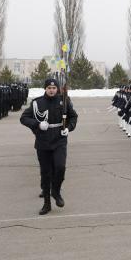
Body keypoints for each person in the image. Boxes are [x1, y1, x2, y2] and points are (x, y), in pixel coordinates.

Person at [20, 78, 78, 215]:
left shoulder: (64, 101)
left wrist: (69, 128)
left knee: (60, 167)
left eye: (54, 88)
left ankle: (56, 191)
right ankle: (47, 203)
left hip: (59, 139)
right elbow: (23, 118)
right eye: (49, 88)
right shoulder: (37, 102)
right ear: (45, 89)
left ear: (57, 89)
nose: (51, 90)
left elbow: (73, 117)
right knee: (45, 173)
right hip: (43, 141)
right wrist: (37, 124)